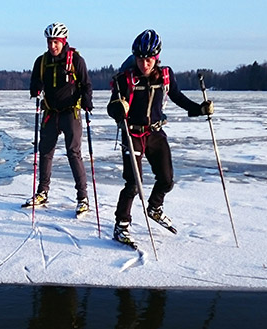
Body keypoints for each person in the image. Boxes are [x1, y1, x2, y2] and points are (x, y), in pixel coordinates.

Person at [106, 29, 214, 246]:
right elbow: (112, 107)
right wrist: (119, 108)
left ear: (156, 58)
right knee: (133, 183)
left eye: (148, 59)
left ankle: (154, 208)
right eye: (140, 59)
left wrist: (199, 109)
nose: (144, 64)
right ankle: (121, 225)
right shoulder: (125, 79)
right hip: (133, 133)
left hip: (155, 132)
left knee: (166, 179)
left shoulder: (165, 75)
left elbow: (177, 97)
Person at [24, 22, 94, 216]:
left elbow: (86, 84)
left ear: (63, 41)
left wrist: (87, 100)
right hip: (50, 113)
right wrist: (35, 89)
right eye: (49, 42)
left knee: (73, 153)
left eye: (56, 42)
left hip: (70, 113)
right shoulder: (42, 61)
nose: (52, 46)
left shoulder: (76, 60)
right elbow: (35, 82)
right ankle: (42, 192)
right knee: (45, 152)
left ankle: (82, 197)